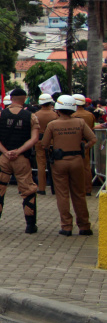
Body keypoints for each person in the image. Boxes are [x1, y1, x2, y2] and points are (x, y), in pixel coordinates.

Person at [40, 95, 97, 236]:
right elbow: (93, 139)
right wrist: (84, 147)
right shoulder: (80, 122)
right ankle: (84, 226)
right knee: (79, 194)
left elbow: (44, 144)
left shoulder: (53, 125)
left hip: (59, 162)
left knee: (62, 194)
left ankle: (66, 226)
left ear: (58, 109)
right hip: (77, 160)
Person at [0, 88, 40, 233]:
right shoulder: (31, 117)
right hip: (22, 158)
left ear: (11, 99)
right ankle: (30, 225)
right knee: (28, 190)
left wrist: (5, 151)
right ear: (24, 99)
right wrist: (18, 151)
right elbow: (34, 138)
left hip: (4, 158)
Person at [34, 94, 58, 194]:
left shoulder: (36, 115)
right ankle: (55, 189)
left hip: (39, 141)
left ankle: (42, 188)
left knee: (41, 165)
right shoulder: (55, 115)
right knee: (54, 165)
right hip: (53, 141)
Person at [71, 93, 95, 195]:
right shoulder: (90, 115)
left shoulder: (72, 115)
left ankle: (77, 189)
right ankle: (88, 189)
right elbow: (92, 128)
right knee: (86, 166)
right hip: (86, 142)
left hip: (73, 143)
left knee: (74, 167)